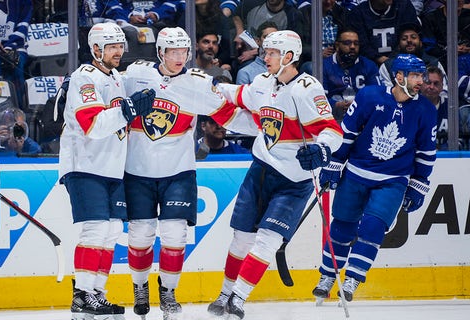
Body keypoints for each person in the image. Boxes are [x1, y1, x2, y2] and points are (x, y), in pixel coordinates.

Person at [206, 30, 343, 319]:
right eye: (265, 52)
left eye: (271, 53)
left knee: (268, 239)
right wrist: (212, 83)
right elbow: (238, 94)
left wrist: (321, 151)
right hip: (261, 170)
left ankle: (239, 298)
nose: (264, 57)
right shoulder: (261, 82)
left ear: (289, 57)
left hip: (294, 182)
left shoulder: (307, 89)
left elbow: (332, 130)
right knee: (241, 238)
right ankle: (224, 292)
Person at [121, 26, 237, 320]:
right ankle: (139, 287)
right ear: (160, 52)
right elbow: (109, 91)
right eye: (172, 51)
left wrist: (261, 125)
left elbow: (227, 112)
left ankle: (169, 292)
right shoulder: (135, 73)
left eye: (184, 51)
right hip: (137, 171)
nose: (179, 57)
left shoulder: (197, 82)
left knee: (175, 235)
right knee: (140, 234)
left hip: (179, 172)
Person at [312, 54, 437, 303]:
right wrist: (334, 163)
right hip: (357, 172)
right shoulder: (370, 96)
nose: (420, 81)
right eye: (414, 76)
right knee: (342, 226)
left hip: (393, 180)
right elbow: (346, 132)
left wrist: (419, 183)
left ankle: (353, 279)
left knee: (373, 227)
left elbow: (426, 152)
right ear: (398, 76)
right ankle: (327, 275)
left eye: (421, 76)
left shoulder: (425, 109)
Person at [58, 22, 155, 320]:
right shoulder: (85, 78)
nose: (118, 51)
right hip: (85, 165)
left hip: (111, 167)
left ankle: (96, 293)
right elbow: (93, 125)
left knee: (112, 231)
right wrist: (128, 109)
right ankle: (82, 295)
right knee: (96, 229)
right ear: (96, 49)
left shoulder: (114, 77)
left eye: (120, 46)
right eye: (111, 46)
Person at [323, 27, 380, 122]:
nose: (353, 47)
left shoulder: (369, 66)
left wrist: (361, 104)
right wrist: (336, 105)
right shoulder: (324, 66)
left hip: (362, 116)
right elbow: (318, 99)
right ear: (337, 46)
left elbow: (377, 96)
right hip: (332, 117)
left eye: (356, 44)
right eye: (347, 43)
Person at [378, 23, 448, 98]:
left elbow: (444, 92)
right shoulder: (388, 66)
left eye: (413, 37)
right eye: (404, 38)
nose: (409, 40)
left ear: (421, 42)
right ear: (399, 45)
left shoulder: (434, 63)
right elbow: (386, 96)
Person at [347, 0, 419, 66]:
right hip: (369, 64)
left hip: (403, 60)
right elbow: (361, 43)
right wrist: (379, 58)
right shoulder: (358, 13)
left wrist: (394, 60)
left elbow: (410, 37)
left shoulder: (404, 6)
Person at [235, 21, 277, 85]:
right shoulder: (245, 73)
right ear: (258, 41)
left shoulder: (287, 68)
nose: (271, 40)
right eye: (266, 37)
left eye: (275, 36)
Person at [421, 65, 449, 150]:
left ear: (442, 86)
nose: (432, 87)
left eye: (436, 84)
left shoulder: (450, 107)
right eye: (428, 83)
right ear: (421, 84)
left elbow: (460, 140)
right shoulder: (411, 107)